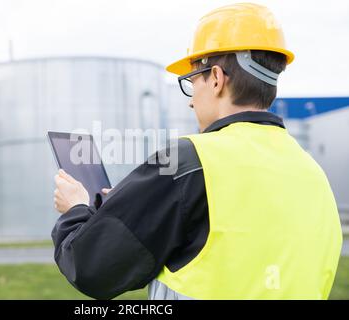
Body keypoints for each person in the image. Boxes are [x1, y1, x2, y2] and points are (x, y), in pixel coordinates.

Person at [51, 3, 342, 299]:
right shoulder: (312, 173)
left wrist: (76, 211)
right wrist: (135, 207)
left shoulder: (186, 160)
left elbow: (92, 268)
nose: (191, 102)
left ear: (215, 78)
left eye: (191, 82)